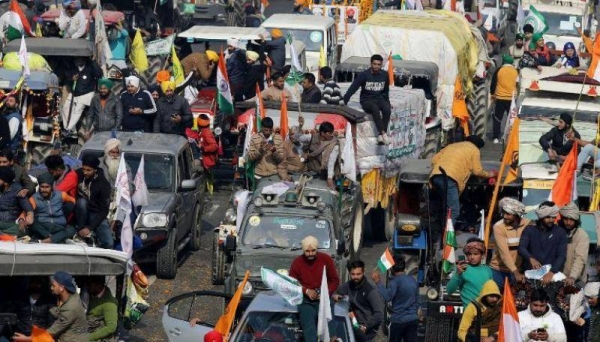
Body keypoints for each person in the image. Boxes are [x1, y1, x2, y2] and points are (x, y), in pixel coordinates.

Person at [429, 135, 496, 223]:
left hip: (436, 177)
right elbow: (477, 171)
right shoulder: (474, 150)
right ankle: (447, 235)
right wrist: (489, 174)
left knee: (446, 206)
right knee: (454, 211)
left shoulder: (452, 145)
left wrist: (439, 170)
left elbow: (434, 160)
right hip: (449, 180)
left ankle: (442, 229)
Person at [289, 236, 340, 342]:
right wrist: (306, 291)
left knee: (330, 328)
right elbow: (292, 283)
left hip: (324, 299)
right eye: (307, 251)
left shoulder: (326, 259)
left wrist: (325, 292)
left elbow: (334, 280)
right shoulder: (297, 263)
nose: (311, 254)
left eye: (313, 251)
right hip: (306, 301)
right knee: (309, 327)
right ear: (303, 251)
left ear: (317, 249)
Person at [13, 271, 88, 341]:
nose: (51, 288)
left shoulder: (71, 308)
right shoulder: (70, 297)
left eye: (53, 286)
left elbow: (53, 331)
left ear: (61, 288)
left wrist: (27, 339)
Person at [343, 54, 391, 145]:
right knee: (374, 109)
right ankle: (383, 133)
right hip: (367, 100)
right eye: (374, 64)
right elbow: (353, 88)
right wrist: (344, 100)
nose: (376, 66)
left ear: (381, 65)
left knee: (387, 109)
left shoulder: (385, 75)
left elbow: (386, 90)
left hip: (380, 98)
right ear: (371, 63)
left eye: (378, 64)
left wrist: (387, 102)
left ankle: (381, 135)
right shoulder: (364, 75)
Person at [518, 201, 567, 286]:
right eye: (548, 217)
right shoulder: (530, 229)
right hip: (530, 276)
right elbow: (521, 247)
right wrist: (531, 258)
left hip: (551, 277)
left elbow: (561, 255)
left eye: (553, 217)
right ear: (541, 217)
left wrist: (551, 273)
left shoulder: (560, 232)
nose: (551, 220)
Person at [371, 257, 419, 342]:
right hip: (412, 319)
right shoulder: (413, 280)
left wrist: (378, 282)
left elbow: (387, 297)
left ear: (392, 268)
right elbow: (417, 300)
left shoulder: (395, 282)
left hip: (398, 321)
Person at [333, 260, 383, 342]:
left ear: (363, 272)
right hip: (350, 328)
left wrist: (365, 326)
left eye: (358, 274)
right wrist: (335, 296)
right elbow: (335, 293)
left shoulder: (371, 291)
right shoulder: (347, 286)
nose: (355, 277)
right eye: (353, 274)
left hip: (366, 332)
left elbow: (379, 315)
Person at [489, 197, 529, 290]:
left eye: (508, 214)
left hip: (518, 271)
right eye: (504, 213)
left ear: (517, 214)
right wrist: (515, 272)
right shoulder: (498, 227)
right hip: (498, 271)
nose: (505, 216)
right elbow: (504, 253)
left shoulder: (528, 224)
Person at [75, 154, 112, 249]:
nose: (85, 173)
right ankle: (80, 233)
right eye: (83, 169)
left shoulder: (103, 184)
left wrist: (90, 227)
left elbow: (104, 210)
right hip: (81, 210)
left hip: (97, 212)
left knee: (108, 242)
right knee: (81, 202)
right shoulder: (78, 174)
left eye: (88, 170)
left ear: (95, 170)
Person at [28, 173, 76, 244]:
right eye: (42, 187)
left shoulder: (60, 195)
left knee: (71, 230)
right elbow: (28, 211)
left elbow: (73, 200)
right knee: (31, 222)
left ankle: (46, 240)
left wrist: (67, 207)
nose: (44, 190)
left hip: (58, 226)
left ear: (52, 187)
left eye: (47, 187)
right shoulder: (34, 198)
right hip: (43, 226)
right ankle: (55, 238)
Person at [447, 238, 493, 307]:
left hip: (486, 313)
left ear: (482, 255)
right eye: (469, 254)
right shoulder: (462, 269)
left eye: (475, 254)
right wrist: (457, 274)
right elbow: (449, 290)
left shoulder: (487, 270)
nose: (472, 257)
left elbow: (492, 292)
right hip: (469, 314)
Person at [294, 119, 340, 188]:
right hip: (311, 174)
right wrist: (300, 126)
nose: (331, 135)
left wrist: (330, 177)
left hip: (325, 176)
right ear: (322, 133)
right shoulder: (312, 138)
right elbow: (296, 138)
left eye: (332, 133)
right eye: (329, 133)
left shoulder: (334, 143)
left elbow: (331, 161)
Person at [62, 58, 103, 131]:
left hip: (86, 94)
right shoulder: (74, 68)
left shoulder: (90, 67)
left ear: (83, 60)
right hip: (74, 93)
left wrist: (93, 62)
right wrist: (72, 79)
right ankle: (66, 126)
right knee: (65, 107)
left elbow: (99, 74)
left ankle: (68, 128)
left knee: (77, 110)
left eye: (77, 59)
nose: (75, 61)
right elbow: (66, 77)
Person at [559, 202, 589, 286]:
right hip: (558, 277)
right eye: (566, 219)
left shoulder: (582, 235)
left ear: (576, 220)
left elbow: (580, 258)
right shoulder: (558, 232)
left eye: (571, 219)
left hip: (576, 280)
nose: (568, 222)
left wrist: (572, 276)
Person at [490, 54, 518, 143]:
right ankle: (510, 137)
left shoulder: (499, 70)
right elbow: (518, 84)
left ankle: (496, 137)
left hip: (500, 98)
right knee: (511, 119)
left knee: (498, 118)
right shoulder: (515, 71)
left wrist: (492, 93)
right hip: (511, 99)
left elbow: (493, 83)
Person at [0, 167, 33, 237]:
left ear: (5, 182)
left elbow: (26, 205)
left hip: (11, 223)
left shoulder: (18, 190)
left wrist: (30, 214)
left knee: (21, 230)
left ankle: (4, 234)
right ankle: (5, 235)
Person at [86, 276, 118, 342]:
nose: (87, 286)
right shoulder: (92, 294)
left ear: (98, 285)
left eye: (90, 284)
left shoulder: (109, 304)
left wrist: (89, 338)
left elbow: (111, 327)